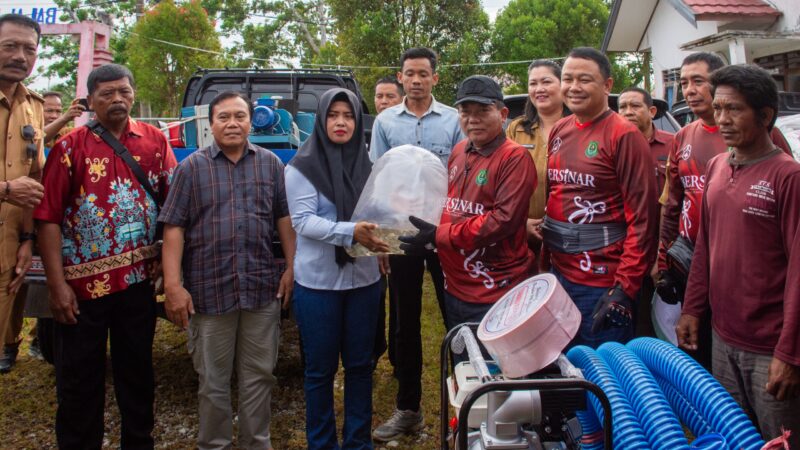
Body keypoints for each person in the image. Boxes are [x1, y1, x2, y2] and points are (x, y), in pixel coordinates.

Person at [34, 63, 177, 448]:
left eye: (124, 92)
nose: (117, 99)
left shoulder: (154, 141)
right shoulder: (69, 147)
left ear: (133, 93)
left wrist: (167, 266)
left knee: (138, 374)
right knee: (79, 379)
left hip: (137, 285)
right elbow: (46, 217)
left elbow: (173, 208)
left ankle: (138, 441)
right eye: (107, 93)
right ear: (90, 100)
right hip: (80, 291)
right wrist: (56, 284)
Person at [159, 91, 293, 450]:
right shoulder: (191, 168)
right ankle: (214, 444)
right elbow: (173, 228)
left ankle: (256, 443)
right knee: (213, 381)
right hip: (208, 290)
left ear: (251, 121)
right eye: (224, 117)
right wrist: (173, 286)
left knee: (259, 376)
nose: (232, 123)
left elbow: (284, 218)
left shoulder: (270, 165)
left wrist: (292, 267)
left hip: (260, 288)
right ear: (211, 123)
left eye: (239, 116)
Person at [676, 64, 800, 448]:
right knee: (733, 436)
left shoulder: (788, 176)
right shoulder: (716, 167)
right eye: (720, 108)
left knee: (777, 440)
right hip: (723, 338)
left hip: (771, 348)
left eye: (735, 110)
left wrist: (790, 352)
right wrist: (693, 309)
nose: (722, 119)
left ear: (764, 116)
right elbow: (705, 247)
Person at [655, 52, 789, 367]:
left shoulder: (764, 143)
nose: (688, 90)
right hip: (695, 266)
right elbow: (673, 202)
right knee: (699, 361)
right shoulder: (685, 137)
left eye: (698, 81)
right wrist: (664, 258)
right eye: (683, 82)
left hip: (753, 279)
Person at [286, 87, 389, 450]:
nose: (341, 122)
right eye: (333, 115)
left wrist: (385, 239)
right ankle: (322, 443)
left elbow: (377, 213)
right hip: (318, 285)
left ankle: (358, 442)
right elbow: (303, 222)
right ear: (322, 119)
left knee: (361, 366)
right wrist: (351, 232)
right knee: (319, 372)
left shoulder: (367, 165)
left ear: (358, 121)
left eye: (348, 116)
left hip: (363, 280)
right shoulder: (302, 166)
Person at [369, 47, 464, 441]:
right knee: (404, 323)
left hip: (445, 234)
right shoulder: (385, 122)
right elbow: (378, 179)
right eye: (410, 74)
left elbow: (461, 176)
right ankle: (409, 408)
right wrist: (380, 242)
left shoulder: (455, 121)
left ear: (435, 78)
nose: (417, 80)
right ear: (402, 77)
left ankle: (468, 403)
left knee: (456, 319)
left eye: (424, 73)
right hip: (401, 235)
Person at [400, 75, 536, 349]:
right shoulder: (460, 150)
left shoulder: (515, 158)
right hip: (456, 287)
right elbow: (450, 203)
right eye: (465, 112)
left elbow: (503, 221)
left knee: (496, 372)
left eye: (483, 111)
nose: (472, 119)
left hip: (496, 289)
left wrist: (439, 235)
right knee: (464, 365)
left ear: (502, 113)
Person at [539, 47, 659, 348]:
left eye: (584, 79)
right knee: (564, 369)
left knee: (602, 378)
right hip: (559, 276)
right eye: (567, 79)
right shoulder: (561, 130)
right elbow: (555, 196)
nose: (573, 87)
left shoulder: (624, 136)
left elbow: (643, 222)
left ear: (607, 85)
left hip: (602, 284)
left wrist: (624, 287)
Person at [0, 14, 47, 374]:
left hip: (11, 246)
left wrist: (28, 238)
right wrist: (5, 189)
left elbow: (34, 178)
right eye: (9, 46)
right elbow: (16, 188)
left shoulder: (34, 105)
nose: (19, 56)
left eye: (28, 49)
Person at [618, 86, 675, 338]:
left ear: (651, 111)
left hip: (663, 247)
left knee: (663, 324)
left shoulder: (673, 144)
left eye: (635, 106)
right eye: (622, 107)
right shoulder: (614, 144)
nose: (628, 112)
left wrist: (663, 256)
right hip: (624, 247)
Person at [505, 59, 568, 265]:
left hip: (570, 236)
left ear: (562, 85)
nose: (539, 89)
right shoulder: (516, 129)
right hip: (523, 233)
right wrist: (521, 223)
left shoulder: (580, 126)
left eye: (546, 82)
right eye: (533, 83)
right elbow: (504, 183)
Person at [370, 75, 404, 372]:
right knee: (377, 289)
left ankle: (397, 354)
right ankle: (375, 348)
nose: (382, 102)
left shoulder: (401, 131)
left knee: (398, 293)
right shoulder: (368, 130)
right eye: (379, 96)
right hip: (379, 222)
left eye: (389, 96)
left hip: (403, 222)